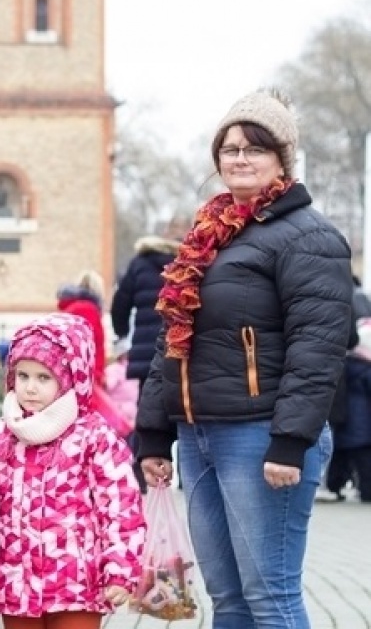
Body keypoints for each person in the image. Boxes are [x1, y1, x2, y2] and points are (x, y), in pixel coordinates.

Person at [137, 89, 352, 629]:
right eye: (228, 148)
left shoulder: (309, 236)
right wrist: (154, 433)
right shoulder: (206, 238)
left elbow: (318, 345)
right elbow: (172, 338)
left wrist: (290, 441)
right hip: (199, 434)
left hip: (262, 437)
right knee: (227, 600)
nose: (238, 158)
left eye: (254, 148)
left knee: (270, 597)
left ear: (283, 159)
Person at [0, 313, 146, 629]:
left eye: (44, 377)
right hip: (17, 582)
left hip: (76, 582)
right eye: (23, 376)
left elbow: (119, 506)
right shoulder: (0, 435)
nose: (30, 387)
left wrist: (119, 568)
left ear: (70, 377)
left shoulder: (93, 436)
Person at [110, 235, 180, 385]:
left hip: (145, 349)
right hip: (177, 345)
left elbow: (120, 304)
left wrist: (121, 332)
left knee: (147, 396)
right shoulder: (184, 265)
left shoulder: (139, 264)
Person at [326, 318, 371, 502]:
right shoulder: (366, 368)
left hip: (344, 419)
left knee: (340, 457)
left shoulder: (344, 363)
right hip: (363, 423)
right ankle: (368, 492)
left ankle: (334, 486)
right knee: (364, 462)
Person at [57, 270, 107, 382]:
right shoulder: (89, 311)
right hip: (84, 376)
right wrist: (98, 376)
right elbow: (95, 346)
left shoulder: (68, 309)